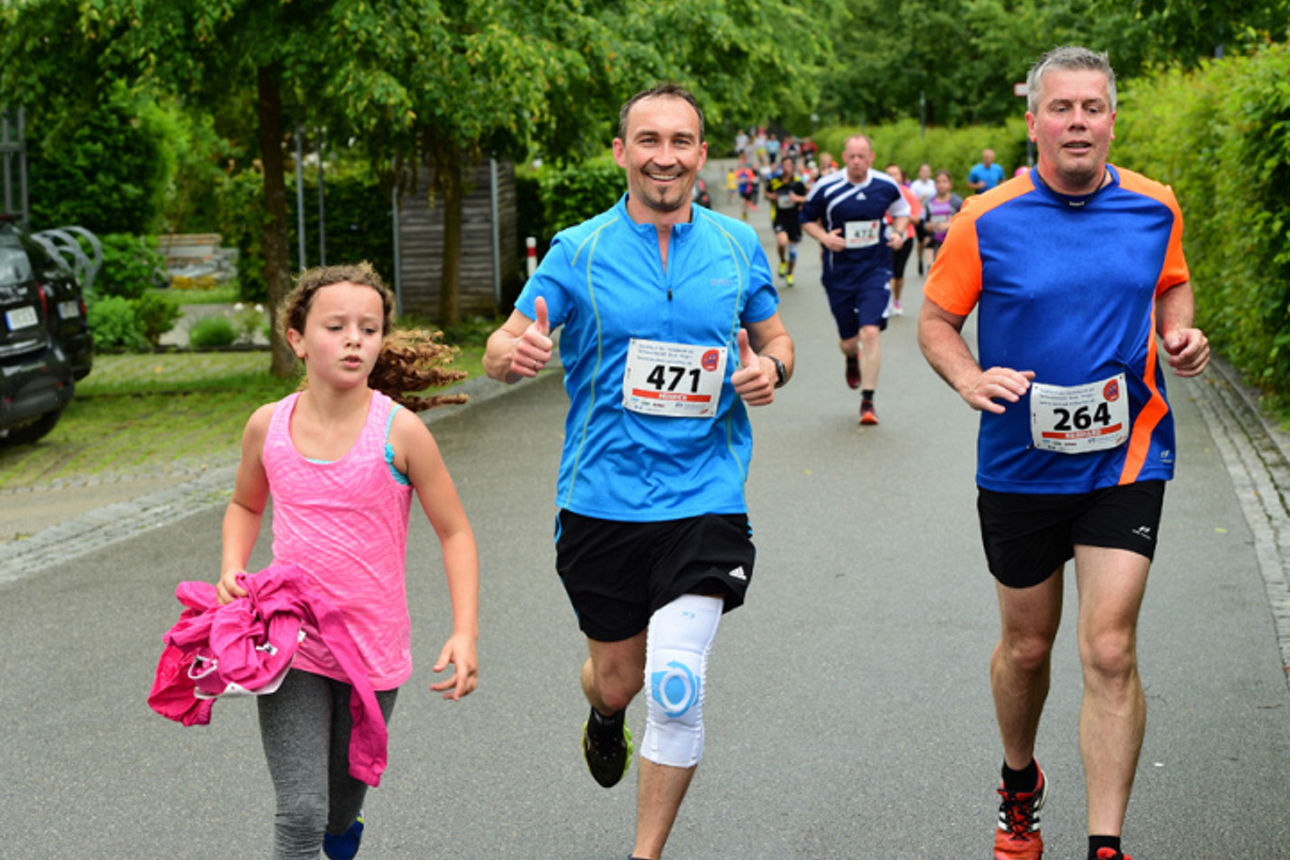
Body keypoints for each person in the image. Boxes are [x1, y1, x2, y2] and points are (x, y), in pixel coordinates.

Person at [483, 83, 793, 860]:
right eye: (648, 140)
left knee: (677, 682)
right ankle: (603, 712)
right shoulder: (578, 250)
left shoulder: (736, 245)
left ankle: (644, 853)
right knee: (620, 680)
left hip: (705, 496)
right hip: (603, 499)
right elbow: (501, 344)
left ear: (701, 153)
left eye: (681, 141)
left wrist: (773, 371)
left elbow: (776, 339)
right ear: (621, 151)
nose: (665, 156)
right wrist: (513, 354)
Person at [917, 46, 1210, 860]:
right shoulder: (986, 218)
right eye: (1061, 108)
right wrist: (969, 376)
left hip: (1127, 456)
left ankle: (1104, 842)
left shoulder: (1155, 206)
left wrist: (1179, 333)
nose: (1077, 122)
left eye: (1092, 107)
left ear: (1112, 119)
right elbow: (936, 322)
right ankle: (1019, 780)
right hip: (1020, 464)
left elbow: (1171, 284)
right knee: (1028, 647)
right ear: (1034, 121)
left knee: (1110, 647)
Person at [217, 262, 480, 859]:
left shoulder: (400, 433)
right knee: (301, 811)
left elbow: (455, 531)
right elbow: (245, 504)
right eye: (335, 327)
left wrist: (464, 632)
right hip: (290, 642)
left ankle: (343, 828)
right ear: (297, 339)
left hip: (371, 649)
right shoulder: (268, 426)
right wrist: (233, 564)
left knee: (337, 809)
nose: (354, 339)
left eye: (369, 328)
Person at [800, 133, 909, 425]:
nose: (857, 161)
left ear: (871, 158)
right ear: (844, 158)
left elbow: (902, 211)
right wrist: (824, 238)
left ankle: (868, 401)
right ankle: (851, 358)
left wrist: (898, 232)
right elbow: (806, 219)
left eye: (862, 156)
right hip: (839, 273)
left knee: (870, 332)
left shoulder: (885, 185)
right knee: (849, 342)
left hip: (875, 269)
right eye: (852, 156)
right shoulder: (827, 186)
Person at [883, 163, 922, 316]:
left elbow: (917, 218)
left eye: (895, 174)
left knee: (898, 274)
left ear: (901, 176)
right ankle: (886, 302)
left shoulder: (908, 194)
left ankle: (897, 300)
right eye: (889, 174)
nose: (892, 177)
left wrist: (902, 218)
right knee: (888, 271)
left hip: (906, 236)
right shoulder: (880, 193)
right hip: (886, 235)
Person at [768, 155, 809, 286]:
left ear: (793, 166)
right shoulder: (775, 181)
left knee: (792, 251)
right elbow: (766, 193)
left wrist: (797, 199)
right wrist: (772, 196)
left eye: (790, 165)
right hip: (779, 217)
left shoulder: (798, 182)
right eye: (785, 165)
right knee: (782, 242)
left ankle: (790, 273)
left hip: (794, 219)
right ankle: (782, 261)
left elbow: (807, 198)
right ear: (781, 166)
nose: (787, 168)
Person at [923, 168, 963, 262]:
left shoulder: (957, 202)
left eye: (944, 182)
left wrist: (950, 225)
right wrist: (927, 226)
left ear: (950, 184)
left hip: (953, 244)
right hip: (935, 244)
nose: (941, 185)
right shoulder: (929, 202)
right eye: (938, 182)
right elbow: (925, 222)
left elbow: (964, 222)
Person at [909, 163, 937, 274]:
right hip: (919, 217)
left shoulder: (933, 184)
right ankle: (920, 260)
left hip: (931, 216)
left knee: (930, 239)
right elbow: (912, 202)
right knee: (921, 242)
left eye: (927, 171)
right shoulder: (915, 186)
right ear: (920, 173)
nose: (925, 173)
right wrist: (921, 198)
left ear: (930, 173)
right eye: (923, 171)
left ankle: (930, 264)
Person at [734, 153, 759, 220]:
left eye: (743, 165)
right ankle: (743, 213)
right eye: (740, 165)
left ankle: (746, 211)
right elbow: (736, 181)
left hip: (748, 189)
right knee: (743, 202)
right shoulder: (738, 172)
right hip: (741, 189)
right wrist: (739, 181)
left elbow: (753, 180)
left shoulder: (749, 171)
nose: (741, 166)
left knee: (746, 202)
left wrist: (746, 180)